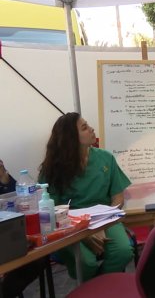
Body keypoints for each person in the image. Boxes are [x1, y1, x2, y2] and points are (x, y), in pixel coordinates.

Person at [38, 112, 133, 282]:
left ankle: (96, 288)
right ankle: (98, 288)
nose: (92, 129)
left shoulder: (105, 158)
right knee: (85, 262)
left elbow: (118, 198)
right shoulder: (52, 168)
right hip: (67, 225)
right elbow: (51, 211)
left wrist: (104, 222)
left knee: (123, 252)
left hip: (104, 218)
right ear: (71, 138)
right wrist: (83, 233)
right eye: (85, 127)